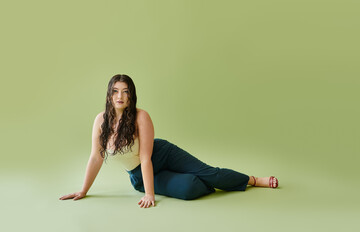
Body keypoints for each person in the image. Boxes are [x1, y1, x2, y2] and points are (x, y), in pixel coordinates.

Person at [59, 74, 279, 208]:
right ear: (109, 94)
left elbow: (146, 158)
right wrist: (83, 190)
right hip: (139, 175)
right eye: (115, 91)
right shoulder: (100, 121)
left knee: (210, 173)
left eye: (125, 92)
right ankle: (214, 185)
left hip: (161, 154)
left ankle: (252, 180)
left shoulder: (140, 116)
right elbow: (95, 158)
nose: (120, 96)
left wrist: (149, 194)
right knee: (189, 189)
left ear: (131, 95)